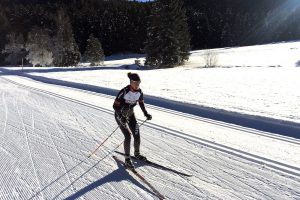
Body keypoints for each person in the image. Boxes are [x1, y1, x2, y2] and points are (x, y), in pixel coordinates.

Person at [113, 72, 152, 169]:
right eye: (135, 82)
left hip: (130, 115)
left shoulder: (139, 92)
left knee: (137, 135)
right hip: (120, 115)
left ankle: (137, 154)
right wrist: (121, 116)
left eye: (139, 82)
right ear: (131, 82)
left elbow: (141, 103)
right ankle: (127, 160)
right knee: (128, 136)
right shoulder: (124, 91)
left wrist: (145, 113)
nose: (137, 84)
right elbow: (115, 106)